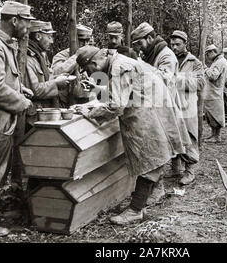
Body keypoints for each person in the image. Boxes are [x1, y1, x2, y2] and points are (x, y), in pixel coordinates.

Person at [74, 45, 190, 224]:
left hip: (148, 115)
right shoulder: (119, 61)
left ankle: (136, 209)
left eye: (88, 70)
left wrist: (88, 111)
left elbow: (116, 105)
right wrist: (97, 91)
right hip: (152, 111)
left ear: (94, 62)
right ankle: (143, 201)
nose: (89, 74)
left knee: (149, 160)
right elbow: (122, 92)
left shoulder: (119, 66)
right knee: (153, 159)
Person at [131, 22, 196, 200]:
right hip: (153, 107)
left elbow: (163, 79)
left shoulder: (166, 56)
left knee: (161, 147)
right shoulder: (149, 53)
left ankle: (158, 189)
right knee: (157, 147)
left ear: (150, 38)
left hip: (164, 108)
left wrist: (139, 66)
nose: (138, 48)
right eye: (135, 45)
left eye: (139, 43)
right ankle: (156, 186)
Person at [0, 1, 35, 236]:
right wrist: (21, 102)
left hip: (0, 123)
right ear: (15, 20)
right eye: (26, 21)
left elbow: (4, 79)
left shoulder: (2, 44)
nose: (28, 27)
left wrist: (20, 90)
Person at [170, 30, 205, 185]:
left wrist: (176, 79)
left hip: (187, 106)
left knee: (189, 137)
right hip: (171, 104)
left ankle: (190, 171)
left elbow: (200, 83)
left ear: (185, 44)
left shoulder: (194, 62)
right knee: (173, 135)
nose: (174, 47)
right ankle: (175, 168)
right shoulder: (169, 59)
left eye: (178, 44)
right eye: (172, 44)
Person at [24, 20, 70, 130]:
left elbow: (45, 80)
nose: (52, 41)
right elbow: (34, 90)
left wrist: (57, 78)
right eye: (49, 37)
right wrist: (56, 83)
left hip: (44, 114)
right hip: (32, 120)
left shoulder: (40, 56)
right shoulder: (27, 58)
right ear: (38, 36)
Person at [51, 24, 94, 106]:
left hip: (85, 101)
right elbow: (56, 72)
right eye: (82, 40)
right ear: (74, 39)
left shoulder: (91, 55)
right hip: (65, 103)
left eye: (87, 41)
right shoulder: (61, 55)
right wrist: (76, 57)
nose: (85, 44)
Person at [203, 44, 227, 143]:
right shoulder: (218, 61)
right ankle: (213, 134)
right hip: (212, 92)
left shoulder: (220, 62)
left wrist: (206, 69)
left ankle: (217, 136)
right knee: (211, 114)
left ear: (213, 52)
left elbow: (213, 76)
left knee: (215, 115)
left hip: (214, 93)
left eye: (208, 53)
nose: (207, 55)